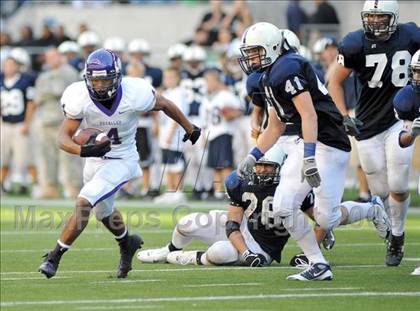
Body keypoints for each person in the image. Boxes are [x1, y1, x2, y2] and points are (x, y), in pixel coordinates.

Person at [237, 22, 390, 281]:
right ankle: (318, 264)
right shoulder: (267, 75)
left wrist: (309, 157)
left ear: (273, 48)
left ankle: (372, 209)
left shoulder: (287, 68)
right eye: (248, 52)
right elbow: (276, 125)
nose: (250, 58)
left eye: (255, 51)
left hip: (329, 143)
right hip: (305, 141)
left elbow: (309, 116)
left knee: (325, 218)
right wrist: (253, 155)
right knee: (284, 205)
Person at [38, 48, 201, 279]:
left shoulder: (134, 92)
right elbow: (62, 139)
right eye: (95, 80)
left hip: (122, 159)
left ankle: (54, 258)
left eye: (105, 79)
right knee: (103, 212)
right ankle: (127, 242)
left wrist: (189, 126)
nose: (101, 86)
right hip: (94, 160)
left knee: (84, 202)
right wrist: (85, 149)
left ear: (116, 77)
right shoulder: (79, 96)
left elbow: (164, 104)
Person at [328, 0, 420, 267]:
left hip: (400, 117)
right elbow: (333, 80)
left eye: (381, 17)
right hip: (367, 122)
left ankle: (398, 236)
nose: (375, 22)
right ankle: (387, 223)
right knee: (379, 190)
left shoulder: (412, 35)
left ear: (393, 17)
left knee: (399, 186)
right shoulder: (355, 43)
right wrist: (344, 115)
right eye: (371, 17)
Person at [137, 146, 315, 267]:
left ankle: (191, 257)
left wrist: (309, 253)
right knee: (186, 223)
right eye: (259, 165)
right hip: (242, 228)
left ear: (281, 167)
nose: (261, 170)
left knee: (220, 253)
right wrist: (244, 253)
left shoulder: (294, 188)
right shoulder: (242, 183)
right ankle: (169, 250)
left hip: (262, 248)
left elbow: (321, 220)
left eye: (267, 166)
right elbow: (232, 225)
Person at [33, 48, 82, 199]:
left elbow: (59, 90)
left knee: (69, 157)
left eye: (53, 56)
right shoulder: (44, 75)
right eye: (48, 57)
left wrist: (47, 91)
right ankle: (49, 188)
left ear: (60, 57)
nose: (50, 60)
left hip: (64, 121)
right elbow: (38, 96)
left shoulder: (69, 72)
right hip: (45, 121)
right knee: (46, 157)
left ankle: (73, 188)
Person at [201, 69, 242, 200]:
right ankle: (218, 192)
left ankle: (230, 191)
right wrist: (204, 135)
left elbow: (239, 110)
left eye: (209, 81)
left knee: (226, 165)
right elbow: (206, 120)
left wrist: (230, 114)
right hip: (212, 133)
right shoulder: (208, 97)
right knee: (215, 165)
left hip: (224, 132)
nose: (207, 84)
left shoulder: (226, 95)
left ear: (217, 81)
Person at [1, 50, 36, 194]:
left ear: (17, 66)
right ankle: (3, 184)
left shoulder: (25, 80)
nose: (8, 67)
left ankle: (31, 185)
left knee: (24, 158)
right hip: (5, 123)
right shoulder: (1, 80)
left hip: (20, 124)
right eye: (6, 64)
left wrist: (27, 124)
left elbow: (31, 103)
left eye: (11, 64)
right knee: (3, 157)